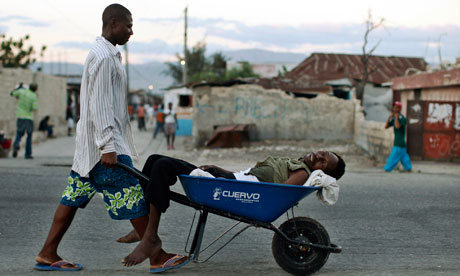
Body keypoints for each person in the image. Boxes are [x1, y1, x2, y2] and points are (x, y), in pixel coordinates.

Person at [34, 4, 184, 272]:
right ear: (112, 23)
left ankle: (47, 252)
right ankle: (157, 254)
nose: (131, 31)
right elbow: (100, 105)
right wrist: (108, 146)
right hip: (103, 147)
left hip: (88, 151)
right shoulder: (103, 57)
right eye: (128, 26)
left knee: (71, 199)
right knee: (129, 194)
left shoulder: (108, 54)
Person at [121, 151, 346, 269]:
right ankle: (144, 224)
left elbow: (277, 192)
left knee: (160, 167)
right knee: (154, 160)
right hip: (230, 180)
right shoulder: (295, 163)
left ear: (324, 173)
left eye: (323, 164)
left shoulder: (303, 172)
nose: (319, 157)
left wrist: (226, 177)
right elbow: (251, 175)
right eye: (323, 153)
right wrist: (221, 170)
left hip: (232, 188)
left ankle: (149, 236)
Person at [11, 83, 38, 159]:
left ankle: (16, 145)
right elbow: (34, 108)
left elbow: (12, 93)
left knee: (19, 133)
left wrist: (19, 87)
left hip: (20, 116)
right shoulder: (34, 96)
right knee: (29, 136)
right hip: (29, 118)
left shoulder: (22, 91)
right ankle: (28, 154)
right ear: (35, 89)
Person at [384, 101, 412, 172]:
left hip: (399, 142)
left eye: (396, 107)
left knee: (393, 157)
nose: (394, 109)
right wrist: (389, 117)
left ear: (399, 109)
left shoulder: (402, 118)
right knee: (404, 157)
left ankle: (387, 169)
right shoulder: (394, 118)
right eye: (394, 107)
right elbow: (386, 126)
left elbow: (397, 126)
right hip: (399, 142)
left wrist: (396, 117)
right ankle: (409, 169)